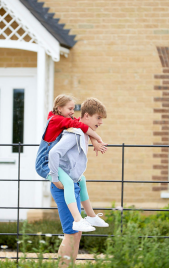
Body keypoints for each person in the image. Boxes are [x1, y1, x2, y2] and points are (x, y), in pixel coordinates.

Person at [49, 98, 108, 267]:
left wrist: (96, 142)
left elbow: (88, 133)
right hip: (62, 186)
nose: (101, 122)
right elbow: (54, 153)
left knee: (77, 233)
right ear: (87, 116)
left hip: (74, 184)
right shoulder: (74, 133)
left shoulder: (82, 132)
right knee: (71, 233)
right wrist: (55, 177)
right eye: (98, 118)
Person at [35, 95, 107, 231]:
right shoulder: (57, 120)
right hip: (44, 163)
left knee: (82, 179)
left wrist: (95, 142)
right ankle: (78, 219)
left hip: (51, 161)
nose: (73, 112)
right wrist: (55, 178)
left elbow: (83, 127)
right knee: (67, 182)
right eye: (70, 108)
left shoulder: (63, 119)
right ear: (59, 108)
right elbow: (80, 126)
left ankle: (91, 216)